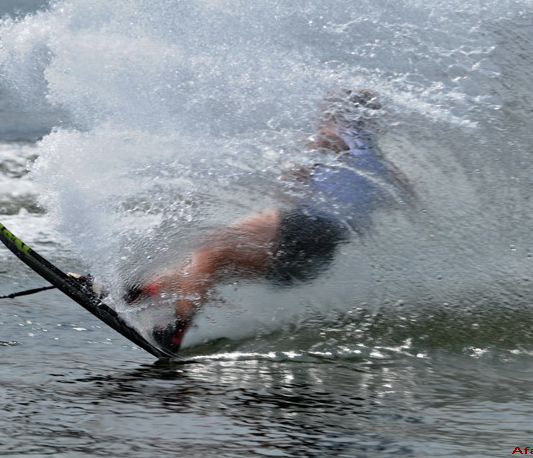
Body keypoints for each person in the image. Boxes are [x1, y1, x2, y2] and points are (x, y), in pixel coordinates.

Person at [126, 89, 412, 352]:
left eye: (326, 110)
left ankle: (175, 330)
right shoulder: (382, 164)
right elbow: (403, 199)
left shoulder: (330, 137)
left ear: (338, 113)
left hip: (303, 224)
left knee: (208, 250)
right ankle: (135, 293)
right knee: (209, 269)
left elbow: (291, 179)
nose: (320, 116)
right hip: (322, 254)